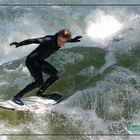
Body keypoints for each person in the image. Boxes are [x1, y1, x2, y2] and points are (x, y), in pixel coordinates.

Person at [10, 28, 82, 106]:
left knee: (55, 75)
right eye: (60, 41)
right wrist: (20, 43)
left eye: (63, 42)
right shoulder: (49, 39)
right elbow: (33, 40)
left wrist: (72, 40)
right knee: (39, 81)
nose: (61, 43)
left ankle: (40, 92)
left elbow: (64, 40)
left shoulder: (61, 40)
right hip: (31, 61)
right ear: (57, 36)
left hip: (39, 61)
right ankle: (16, 97)